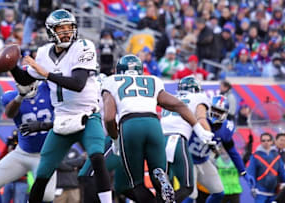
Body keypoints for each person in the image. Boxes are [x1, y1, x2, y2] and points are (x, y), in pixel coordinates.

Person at [9, 9, 113, 203]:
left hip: (87, 115)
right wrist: (11, 65)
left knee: (97, 157)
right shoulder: (43, 53)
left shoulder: (84, 46)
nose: (66, 32)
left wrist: (46, 74)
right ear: (50, 32)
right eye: (60, 28)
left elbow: (78, 83)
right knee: (42, 174)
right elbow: (25, 79)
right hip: (62, 120)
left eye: (69, 28)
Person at [101, 54, 214, 202]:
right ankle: (161, 179)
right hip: (154, 125)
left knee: (137, 183)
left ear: (118, 71)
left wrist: (115, 140)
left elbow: (109, 118)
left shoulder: (111, 81)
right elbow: (178, 105)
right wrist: (199, 130)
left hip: (130, 125)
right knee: (159, 178)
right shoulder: (152, 80)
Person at [0, 81, 56, 203]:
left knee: (47, 197)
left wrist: (42, 125)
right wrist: (20, 96)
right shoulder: (11, 97)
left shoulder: (49, 89)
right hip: (22, 153)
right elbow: (9, 113)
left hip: (44, 156)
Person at [185, 95, 255, 203]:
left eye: (220, 111)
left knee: (219, 192)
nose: (216, 114)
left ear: (225, 114)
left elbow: (233, 152)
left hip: (203, 161)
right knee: (191, 195)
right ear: (209, 108)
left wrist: (243, 172)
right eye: (215, 110)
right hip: (188, 160)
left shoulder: (225, 129)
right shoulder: (198, 119)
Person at [160, 76, 211, 202]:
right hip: (176, 140)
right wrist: (208, 135)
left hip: (160, 141)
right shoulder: (198, 97)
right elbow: (201, 118)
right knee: (187, 187)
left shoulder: (171, 97)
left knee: (165, 186)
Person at [248, 132, 285, 203]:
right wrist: (252, 187)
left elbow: (282, 172)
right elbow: (251, 173)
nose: (266, 142)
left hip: (274, 192)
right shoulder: (255, 156)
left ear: (271, 142)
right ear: (260, 142)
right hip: (260, 192)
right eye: (263, 140)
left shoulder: (276, 156)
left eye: (268, 140)